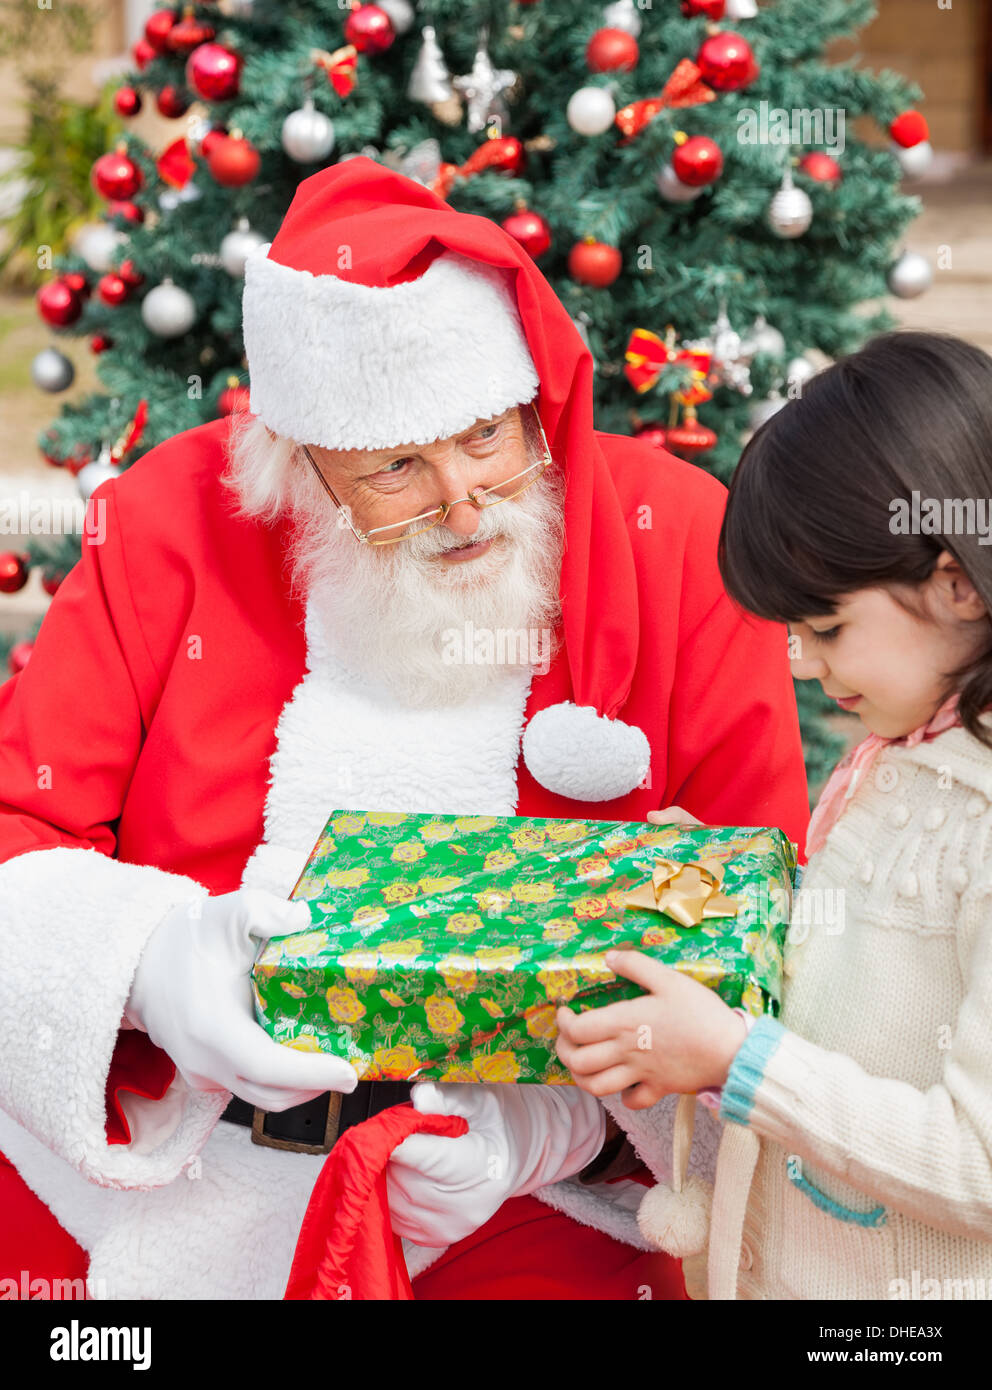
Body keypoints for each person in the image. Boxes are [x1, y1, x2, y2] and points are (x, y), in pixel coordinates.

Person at [0, 158, 809, 1301]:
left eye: (487, 436)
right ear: (295, 467)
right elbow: (17, 830)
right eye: (394, 471)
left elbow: (755, 922)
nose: (466, 506)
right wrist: (144, 962)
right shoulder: (161, 527)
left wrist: (538, 1132)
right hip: (174, 1156)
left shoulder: (676, 540)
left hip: (540, 1198)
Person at [556, 331, 992, 1300]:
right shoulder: (898, 746)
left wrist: (733, 1056)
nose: (799, 662)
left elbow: (977, 1165)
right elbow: (869, 967)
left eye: (826, 626)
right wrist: (731, 884)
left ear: (955, 580)